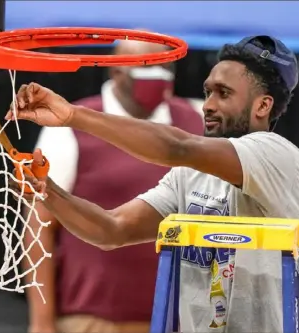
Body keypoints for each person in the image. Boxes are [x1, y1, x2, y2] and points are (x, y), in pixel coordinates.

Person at [9, 35, 299, 332]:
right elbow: (112, 229)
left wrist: (72, 116)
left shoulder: (277, 157)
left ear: (263, 105)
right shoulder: (187, 176)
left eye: (223, 94)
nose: (208, 104)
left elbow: (176, 147)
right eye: (208, 92)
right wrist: (47, 190)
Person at [21, 39, 204, 333]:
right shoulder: (70, 124)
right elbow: (37, 224)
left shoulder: (194, 122)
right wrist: (42, 322)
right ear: (117, 70)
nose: (159, 76)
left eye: (165, 66)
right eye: (148, 67)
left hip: (177, 319)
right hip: (92, 318)